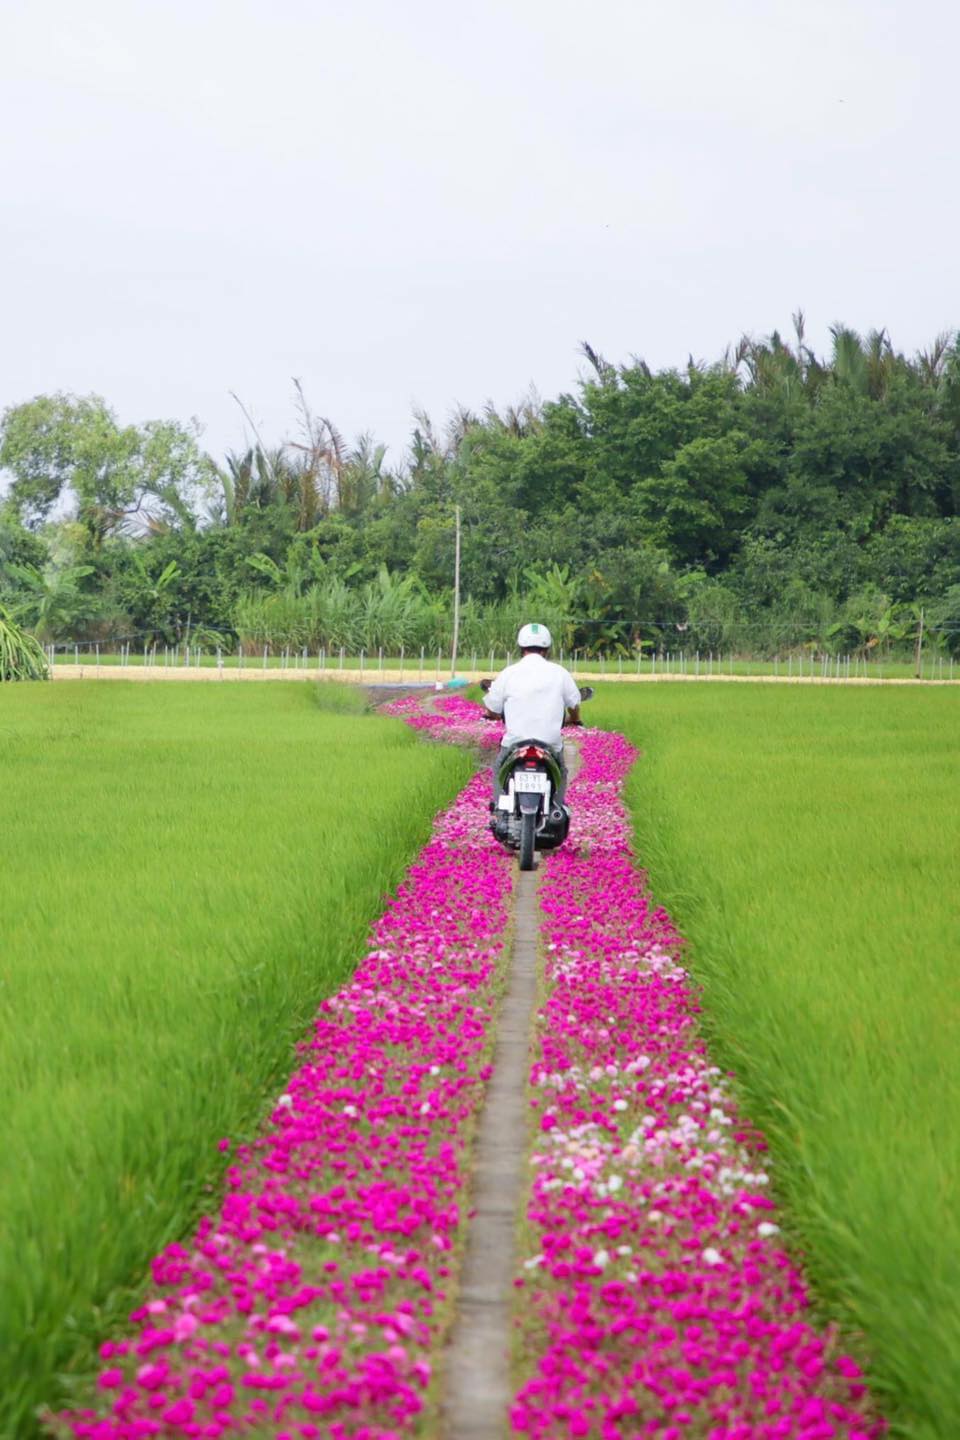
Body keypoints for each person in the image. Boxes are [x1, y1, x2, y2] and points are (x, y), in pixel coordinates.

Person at [482, 622, 582, 811]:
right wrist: (575, 718)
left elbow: (492, 706)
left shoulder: (508, 673)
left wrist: (490, 715)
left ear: (521, 647)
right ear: (547, 648)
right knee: (560, 772)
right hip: (550, 743)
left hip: (515, 743)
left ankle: (499, 808)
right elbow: (574, 704)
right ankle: (557, 808)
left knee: (498, 770)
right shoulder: (560, 673)